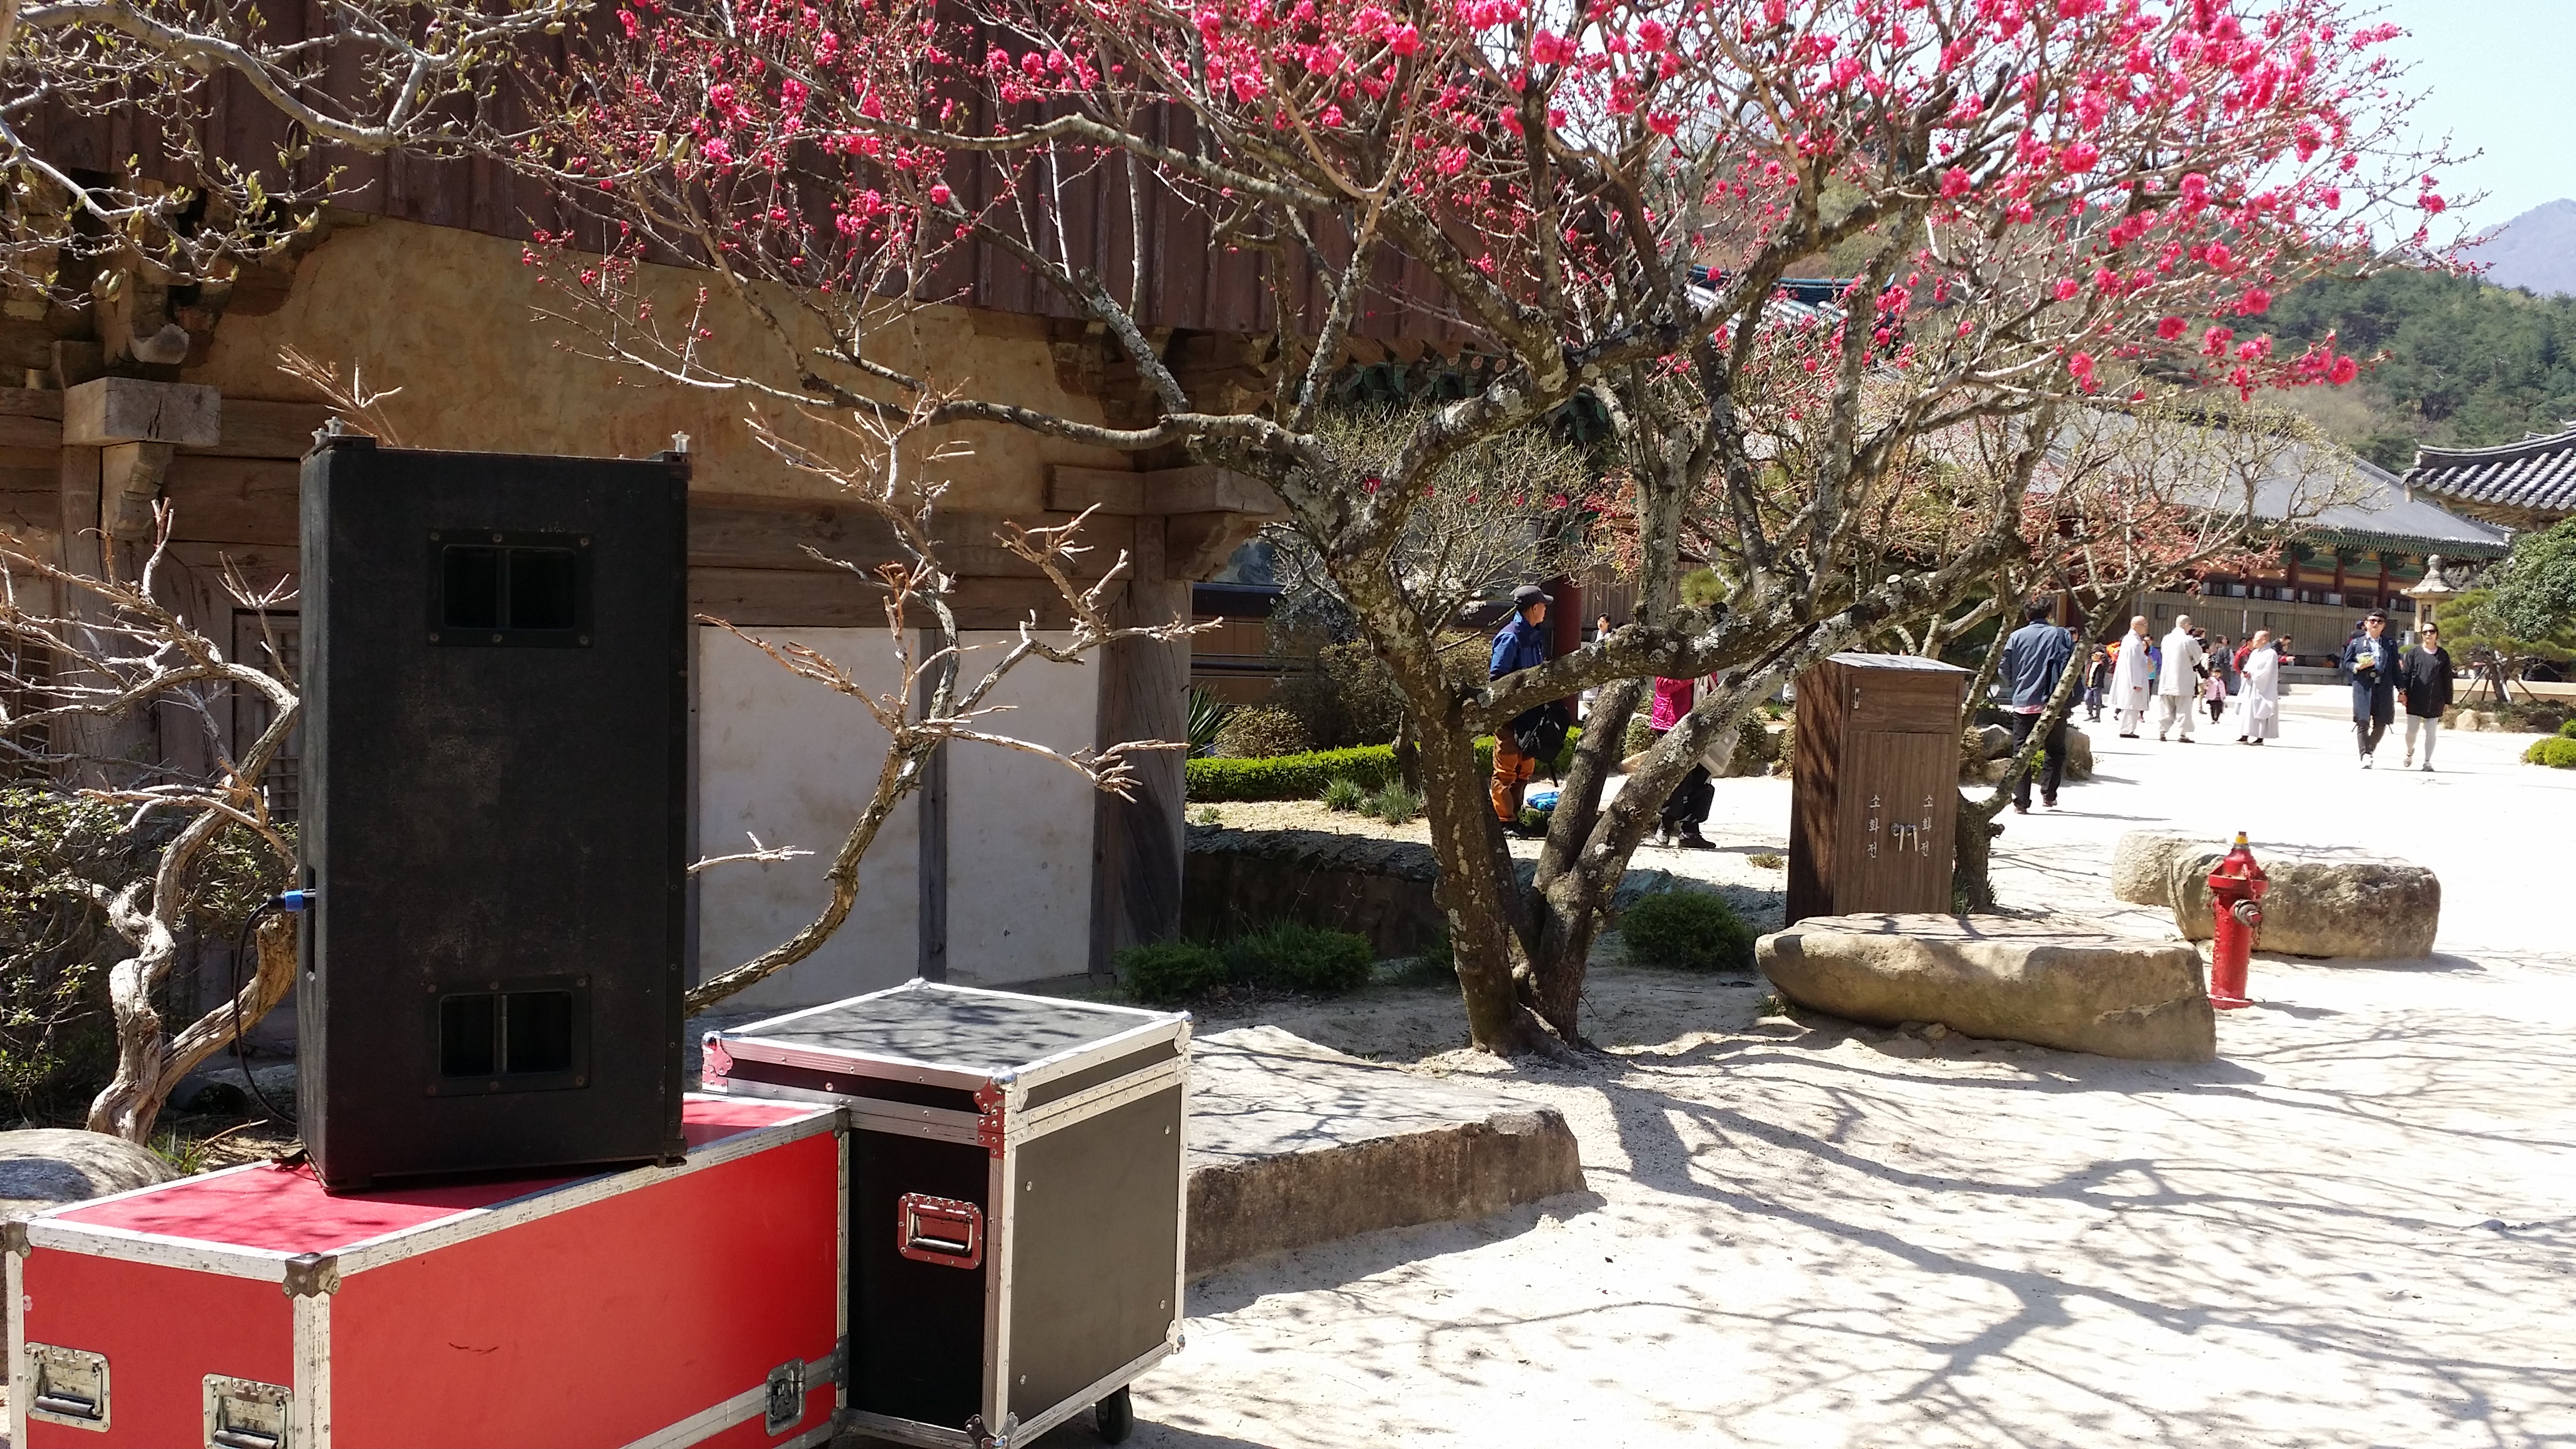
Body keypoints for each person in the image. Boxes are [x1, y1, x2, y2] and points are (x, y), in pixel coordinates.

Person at [1996, 600, 2075, 813]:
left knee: (2021, 753)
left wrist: (2016, 686)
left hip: (2023, 703)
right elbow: (2072, 665)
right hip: (2053, 702)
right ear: (2049, 614)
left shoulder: (2016, 636)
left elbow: (2003, 668)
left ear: (2027, 615)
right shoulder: (2061, 635)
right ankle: (2049, 795)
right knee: (2055, 750)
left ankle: (2021, 802)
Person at [1489, 584, 1557, 825]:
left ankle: (1515, 817)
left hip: (1531, 716)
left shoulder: (1534, 635)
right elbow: (1497, 679)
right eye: (1543, 606)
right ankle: (1504, 820)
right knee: (1505, 770)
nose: (1546, 610)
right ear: (1534, 608)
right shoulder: (1510, 637)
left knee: (1525, 768)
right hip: (1510, 718)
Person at [1646, 675, 1715, 848]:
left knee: (1702, 776)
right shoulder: (1675, 658)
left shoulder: (1710, 659)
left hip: (1701, 724)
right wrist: (1694, 675)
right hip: (1672, 724)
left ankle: (1690, 832)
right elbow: (1663, 685)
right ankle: (1666, 825)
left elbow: (1711, 684)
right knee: (1676, 780)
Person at [2341, 608, 2400, 768]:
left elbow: (2395, 668)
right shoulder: (2356, 643)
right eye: (2372, 621)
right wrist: (2358, 667)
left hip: (2383, 687)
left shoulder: (2390, 644)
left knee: (2381, 723)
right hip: (2363, 686)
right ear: (2366, 623)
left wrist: (2402, 689)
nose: (2375, 624)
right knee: (2362, 721)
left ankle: (2369, 749)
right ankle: (2365, 755)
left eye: (2379, 621)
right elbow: (2346, 663)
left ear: (2384, 625)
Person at [2398, 622, 2455, 772]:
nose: (2428, 635)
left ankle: (2427, 762)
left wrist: (2448, 700)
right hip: (2415, 698)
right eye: (2425, 632)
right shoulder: (2413, 653)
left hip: (2435, 699)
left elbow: (2447, 678)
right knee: (2411, 732)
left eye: (2432, 631)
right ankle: (2409, 751)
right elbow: (2406, 674)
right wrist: (2403, 693)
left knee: (2431, 732)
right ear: (2421, 635)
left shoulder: (2443, 655)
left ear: (2437, 634)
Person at [2154, 614, 2207, 742]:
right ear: (2186, 625)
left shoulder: (2166, 639)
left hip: (2167, 679)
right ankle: (2182, 734)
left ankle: (2162, 732)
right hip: (2183, 678)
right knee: (2184, 708)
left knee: (2165, 708)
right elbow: (2197, 657)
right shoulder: (2188, 640)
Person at [2109, 616, 2155, 738]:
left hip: (2131, 678)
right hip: (2132, 679)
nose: (2146, 627)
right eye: (2144, 624)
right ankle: (2126, 730)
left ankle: (2129, 730)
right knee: (2131, 705)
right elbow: (2134, 664)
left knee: (2132, 705)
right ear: (2136, 626)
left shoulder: (2132, 640)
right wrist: (2137, 683)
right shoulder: (2133, 642)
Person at [2233, 629, 2281, 744]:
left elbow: (2267, 671)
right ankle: (2245, 735)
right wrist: (2246, 672)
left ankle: (2260, 737)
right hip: (2250, 686)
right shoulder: (2255, 653)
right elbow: (2249, 666)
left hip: (2262, 688)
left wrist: (2253, 674)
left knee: (2260, 710)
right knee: (2247, 711)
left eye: (2256, 639)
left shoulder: (2271, 654)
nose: (2254, 641)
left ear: (2264, 640)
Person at [2082, 646, 2110, 722]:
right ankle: (2090, 714)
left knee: (2097, 701)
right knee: (2087, 699)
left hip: (2097, 685)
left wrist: (2103, 656)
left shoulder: (2102, 664)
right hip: (2090, 684)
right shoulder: (2091, 663)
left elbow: (2107, 664)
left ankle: (2097, 716)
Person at [2202, 657, 2230, 723]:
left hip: (2219, 698)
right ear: (2212, 673)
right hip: (2212, 697)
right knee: (2213, 708)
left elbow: (2223, 689)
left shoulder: (2221, 682)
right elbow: (2206, 686)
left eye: (2218, 673)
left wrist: (2224, 696)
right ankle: (2213, 718)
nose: (2216, 675)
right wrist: (2205, 683)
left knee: (2219, 708)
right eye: (2215, 673)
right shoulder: (2211, 680)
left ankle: (2217, 718)